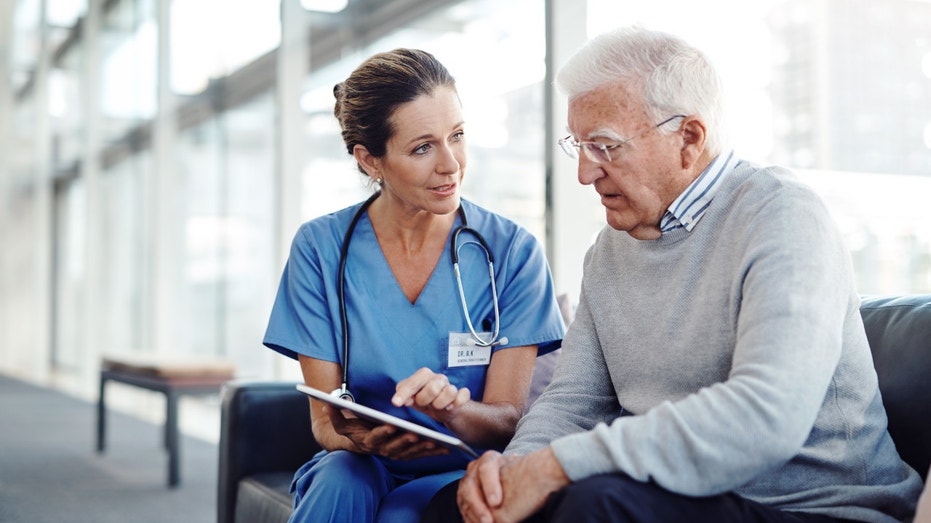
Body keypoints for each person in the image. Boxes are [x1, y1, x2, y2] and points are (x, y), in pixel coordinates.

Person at [422, 26, 923, 523]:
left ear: (688, 138)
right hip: (679, 498)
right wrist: (511, 476)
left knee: (594, 506)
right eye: (577, 145)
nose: (584, 172)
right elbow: (573, 402)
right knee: (456, 509)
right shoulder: (609, 252)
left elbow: (767, 416)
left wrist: (558, 467)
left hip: (817, 509)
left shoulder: (781, 215)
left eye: (605, 146)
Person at [262, 48, 565, 523]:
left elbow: (507, 419)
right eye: (423, 147)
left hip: (463, 465)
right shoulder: (321, 248)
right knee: (339, 481)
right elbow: (324, 423)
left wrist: (453, 412)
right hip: (362, 461)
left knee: (405, 513)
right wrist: (356, 437)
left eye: (457, 136)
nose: (451, 165)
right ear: (370, 160)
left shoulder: (512, 252)